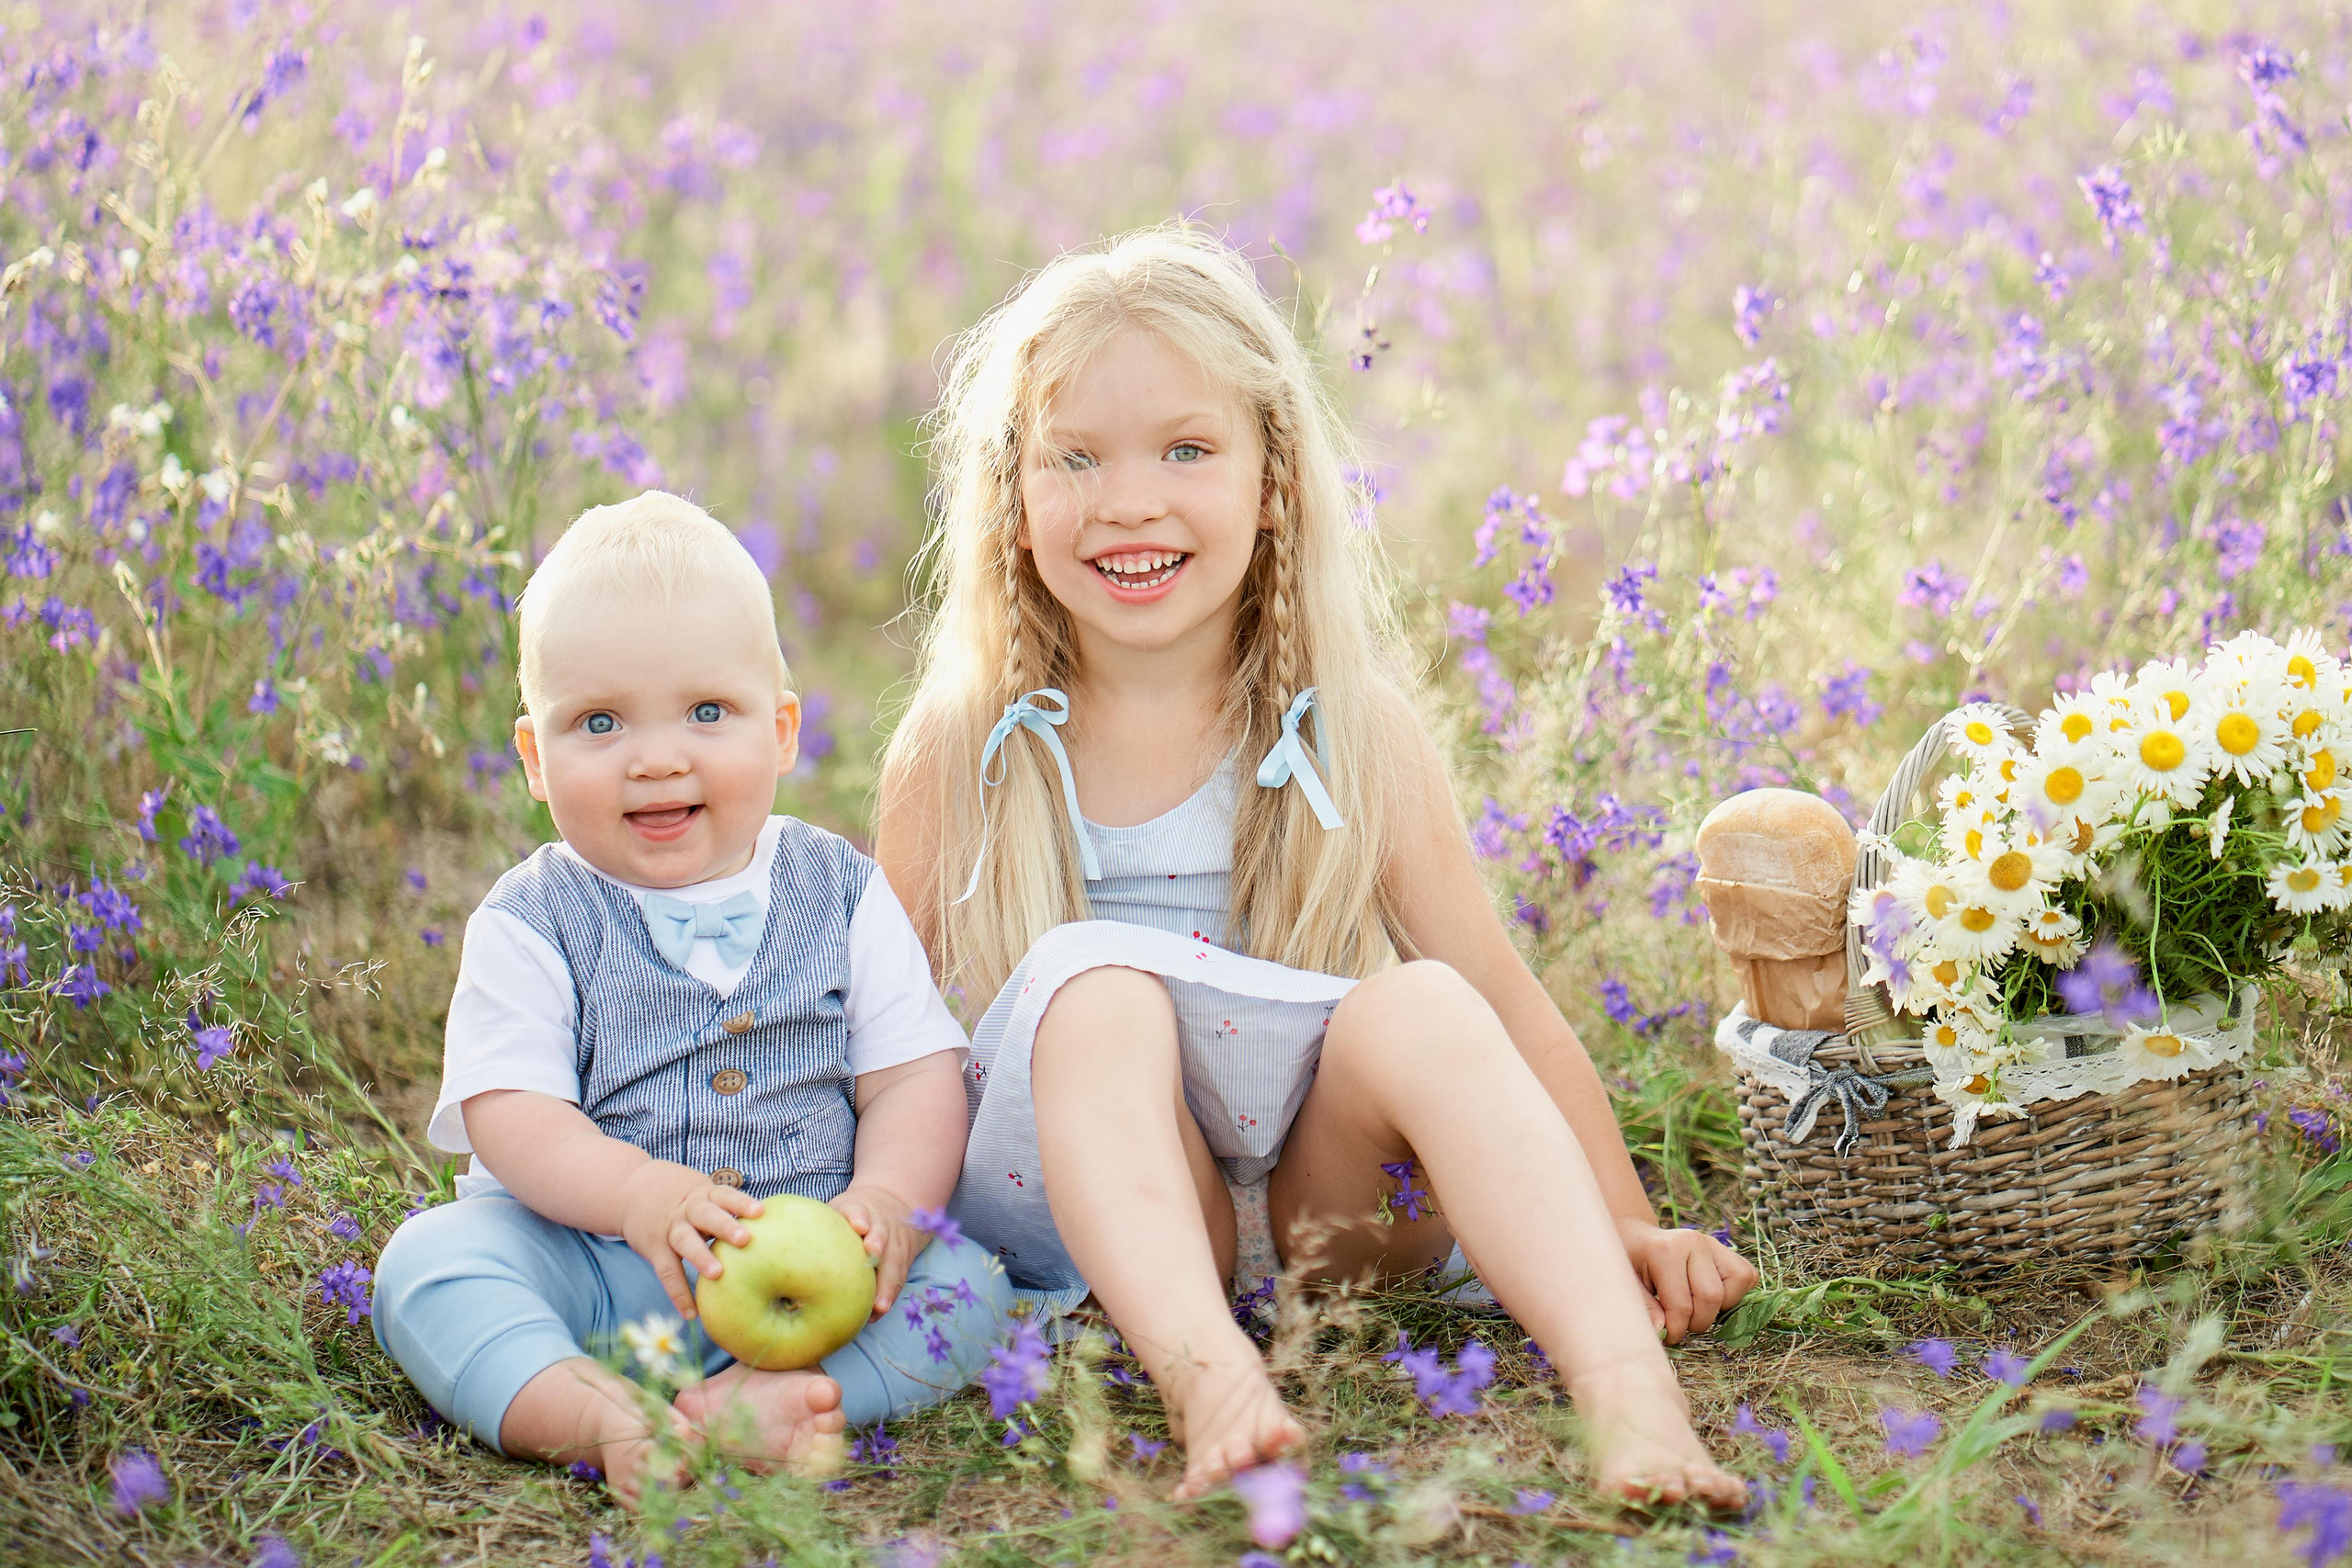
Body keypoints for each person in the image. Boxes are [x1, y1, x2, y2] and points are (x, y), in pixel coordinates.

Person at [876, 226, 1756, 1507]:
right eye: (1076, 457)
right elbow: (875, 1035)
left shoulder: (1351, 730)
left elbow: (1502, 999)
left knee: (1426, 1003)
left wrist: (1623, 1216)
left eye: (1186, 450)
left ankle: (1630, 1393)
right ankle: (1211, 1381)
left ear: (1274, 482)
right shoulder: (963, 745)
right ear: (1013, 497)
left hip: (1323, 1209)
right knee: (1099, 993)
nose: (1128, 501)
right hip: (1099, 1207)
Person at [373, 491, 1011, 1506]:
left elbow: (911, 1077)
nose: (658, 756)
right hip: (595, 1267)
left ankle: (764, 1400)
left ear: (783, 730)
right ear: (534, 758)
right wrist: (636, 1195)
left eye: (707, 713)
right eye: (599, 722)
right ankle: (594, 1412)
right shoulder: (530, 919)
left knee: (966, 1289)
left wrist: (887, 1202)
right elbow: (511, 1112)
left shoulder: (841, 889)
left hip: (815, 1271)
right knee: (428, 1265)